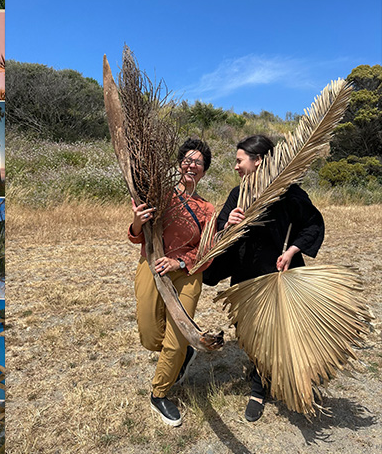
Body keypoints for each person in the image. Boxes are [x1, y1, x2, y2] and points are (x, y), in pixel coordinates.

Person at [203, 134, 324, 422]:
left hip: (274, 274)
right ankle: (262, 370)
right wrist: (228, 224)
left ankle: (259, 388)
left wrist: (292, 250)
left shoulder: (289, 194)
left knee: (271, 332)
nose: (235, 166)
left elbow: (312, 225)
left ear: (258, 161)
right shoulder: (238, 194)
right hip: (244, 275)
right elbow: (219, 230)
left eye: (239, 160)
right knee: (250, 332)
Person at [128, 138, 215, 427]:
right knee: (150, 335)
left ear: (204, 171)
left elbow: (207, 251)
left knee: (176, 340)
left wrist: (179, 262)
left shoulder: (207, 209)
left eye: (198, 163)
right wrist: (138, 221)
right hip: (152, 267)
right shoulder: (158, 195)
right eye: (188, 161)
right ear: (179, 165)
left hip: (188, 273)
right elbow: (135, 235)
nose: (192, 166)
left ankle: (159, 393)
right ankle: (184, 352)